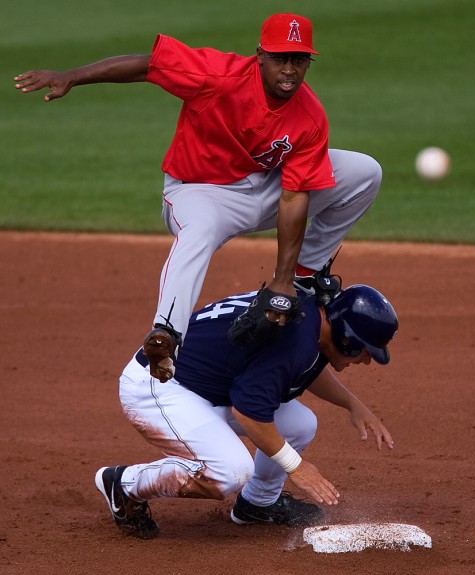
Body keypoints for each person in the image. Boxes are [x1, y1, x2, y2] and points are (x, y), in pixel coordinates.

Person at [14, 13, 383, 382]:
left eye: (299, 60)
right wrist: (72, 77)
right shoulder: (216, 75)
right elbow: (148, 65)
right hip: (199, 191)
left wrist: (284, 280)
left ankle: (305, 275)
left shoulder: (310, 115)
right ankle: (166, 334)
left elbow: (293, 197)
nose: (289, 69)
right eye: (280, 58)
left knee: (364, 172)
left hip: (267, 188)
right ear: (260, 55)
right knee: (198, 233)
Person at [94, 281, 398, 539]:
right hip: (158, 385)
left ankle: (258, 504)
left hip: (205, 388)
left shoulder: (310, 318)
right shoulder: (295, 340)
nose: (365, 361)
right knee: (229, 471)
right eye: (363, 351)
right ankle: (125, 484)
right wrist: (297, 467)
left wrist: (351, 403)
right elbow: (249, 412)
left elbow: (304, 367)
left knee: (300, 424)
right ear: (345, 339)